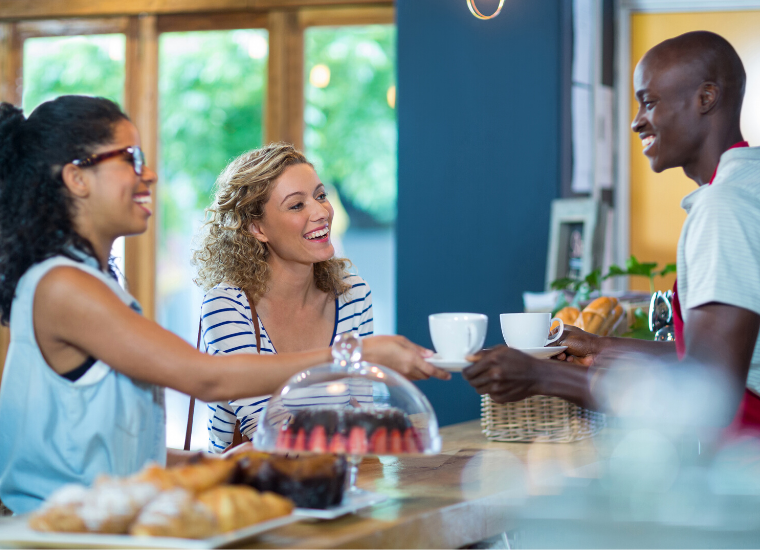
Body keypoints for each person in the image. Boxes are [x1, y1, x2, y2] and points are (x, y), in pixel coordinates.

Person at [0, 96, 447, 514]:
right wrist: (358, 356)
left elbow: (108, 452)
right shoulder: (62, 286)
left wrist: (206, 463)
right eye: (130, 159)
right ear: (76, 177)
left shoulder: (89, 283)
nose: (149, 174)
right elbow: (207, 377)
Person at [463, 31, 760, 428]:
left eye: (649, 103)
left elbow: (704, 394)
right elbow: (714, 356)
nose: (637, 122)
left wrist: (543, 376)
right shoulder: (746, 186)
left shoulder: (723, 206)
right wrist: (598, 346)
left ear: (706, 98)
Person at [193, 144, 415, 452]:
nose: (321, 212)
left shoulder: (352, 294)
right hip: (254, 493)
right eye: (297, 205)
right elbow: (267, 431)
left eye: (321, 196)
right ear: (257, 228)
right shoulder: (228, 305)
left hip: (337, 484)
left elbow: (362, 415)